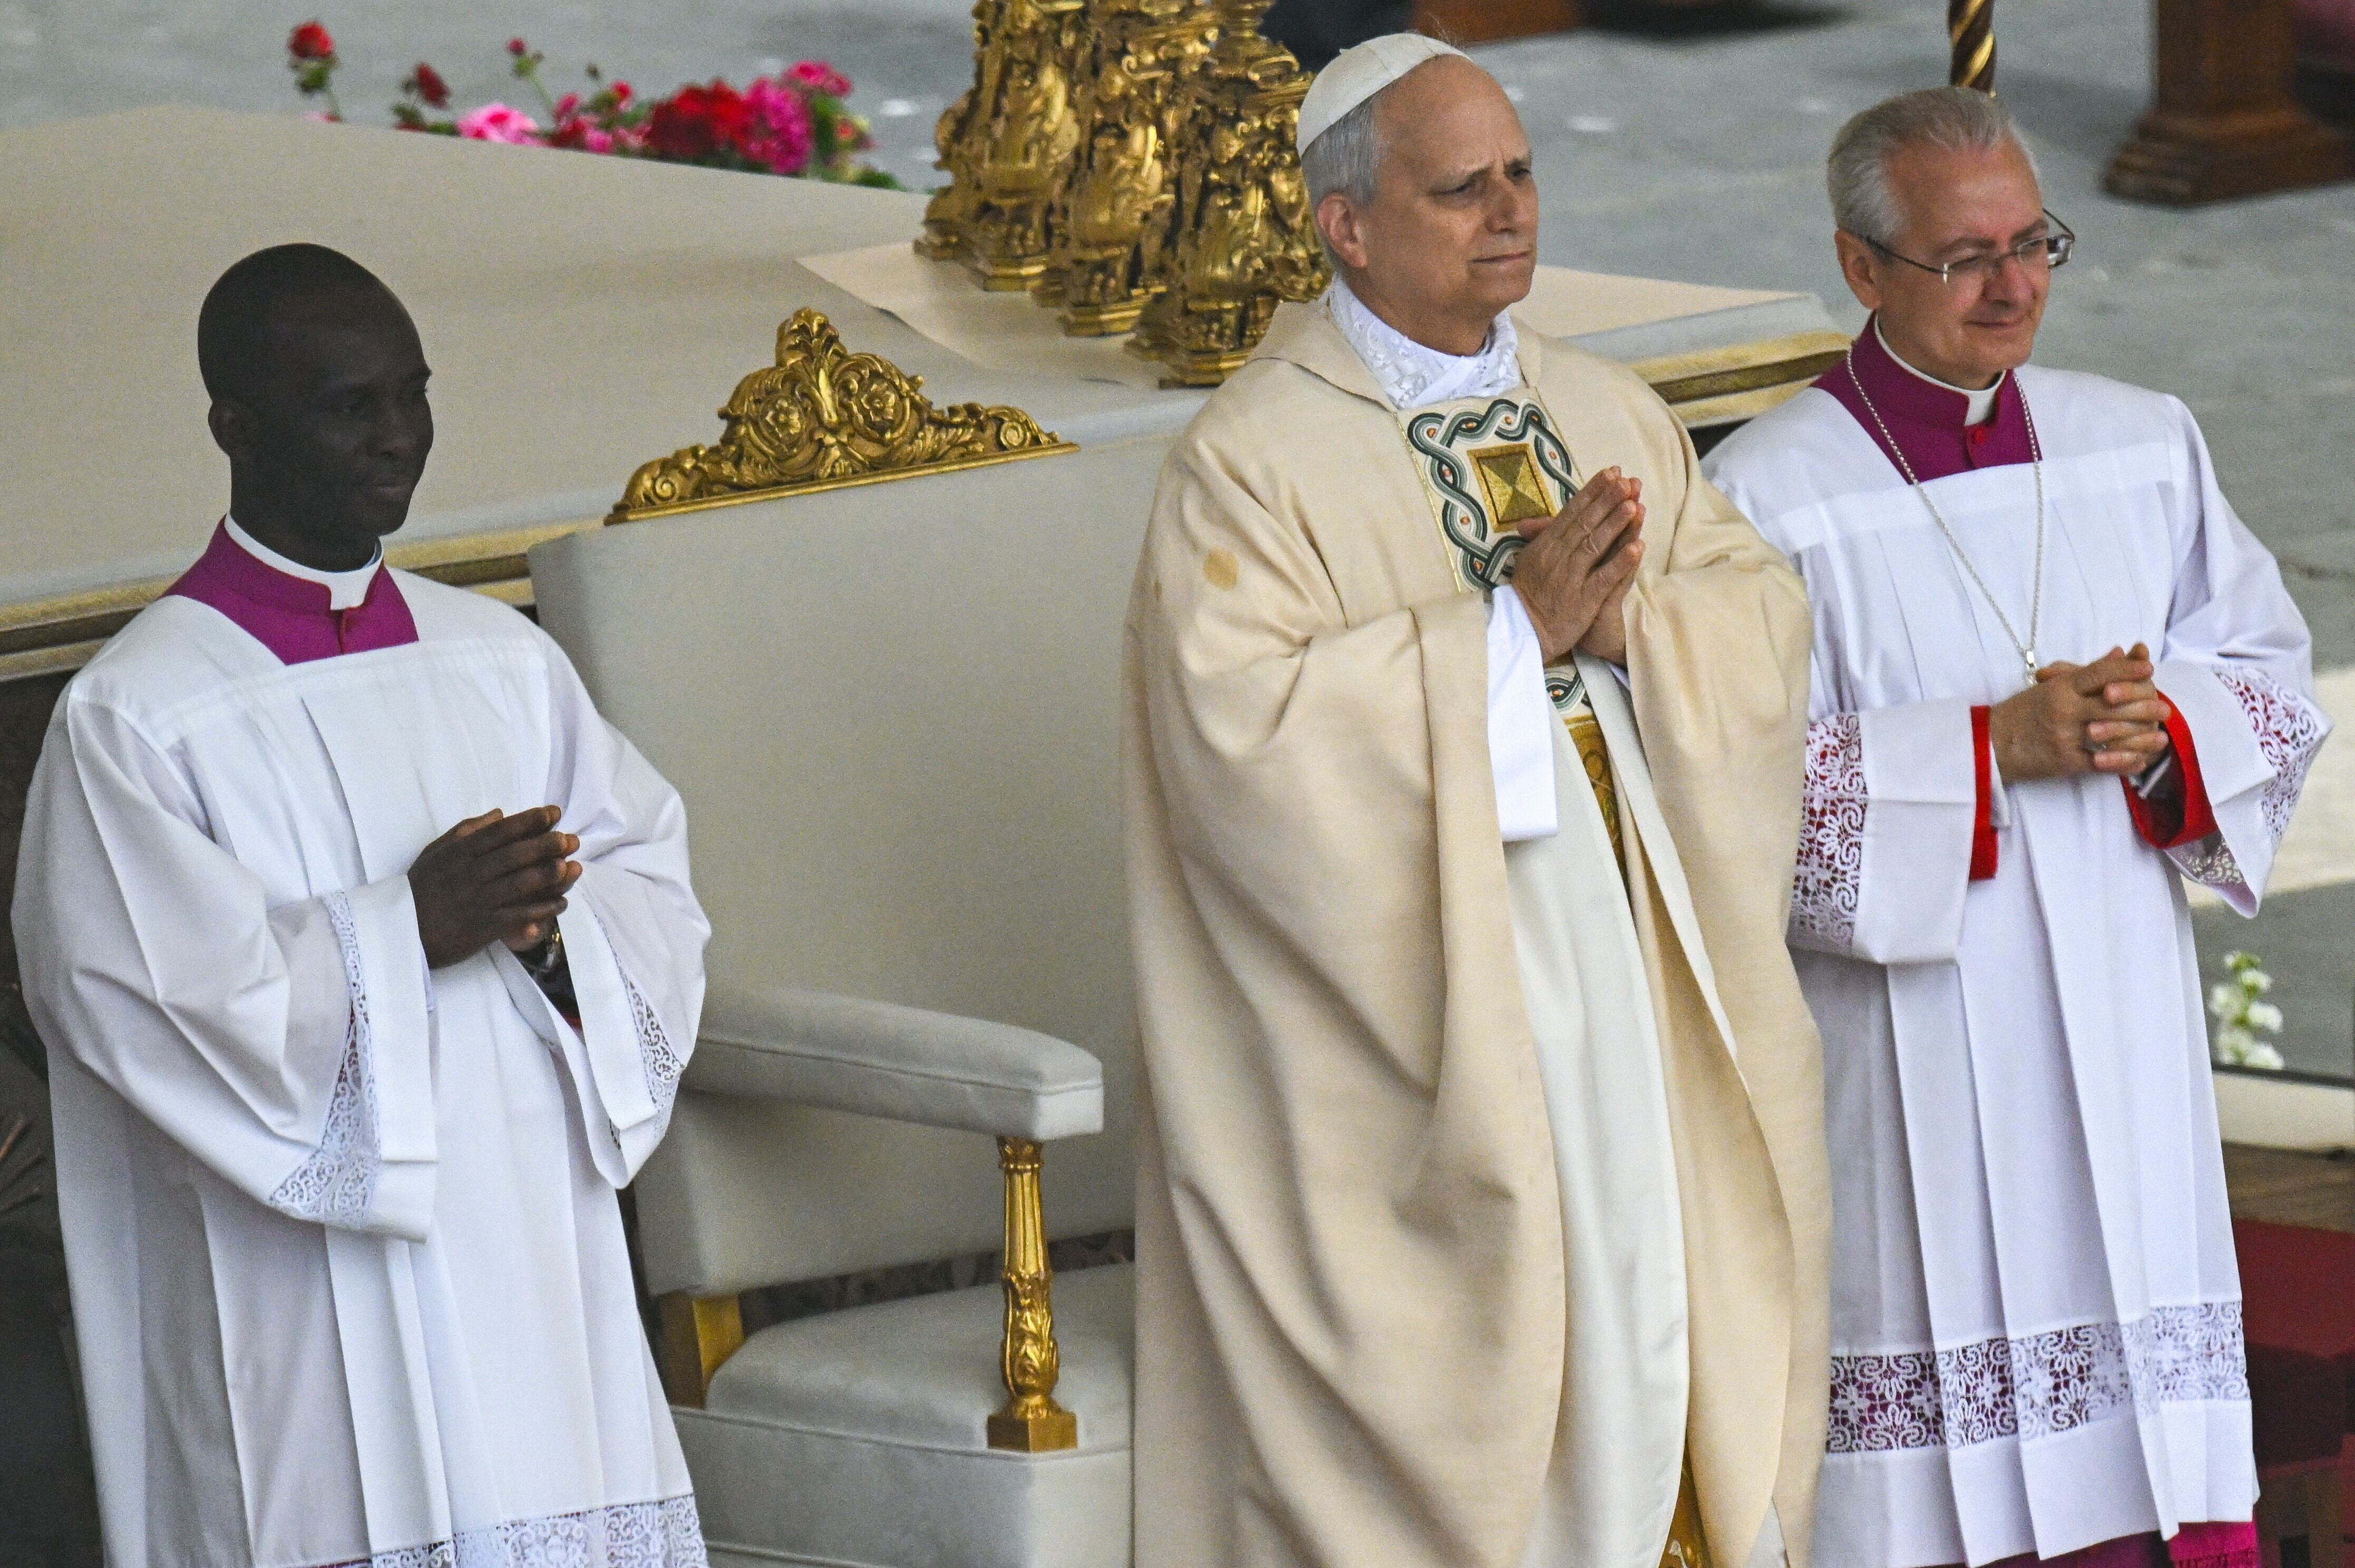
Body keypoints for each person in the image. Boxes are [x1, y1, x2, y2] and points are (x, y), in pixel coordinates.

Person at [1124, 34, 1831, 1568]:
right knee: (1542, 1307)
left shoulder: (1604, 405)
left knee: (1672, 1276)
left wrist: (1633, 621)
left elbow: (1759, 610)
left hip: (1640, 950)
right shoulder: (1252, 463)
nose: (1509, 212)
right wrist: (1506, 638)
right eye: (1462, 189)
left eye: (1520, 172)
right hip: (1454, 990)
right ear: (1348, 227)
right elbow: (1238, 737)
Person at [1703, 88, 2328, 1568]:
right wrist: (1990, 747)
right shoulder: (1762, 502)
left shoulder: (2139, 443)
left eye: (2034, 241)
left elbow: (2270, 679)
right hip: (1911, 1041)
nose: (2015, 283)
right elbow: (1721, 798)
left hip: (2122, 1008)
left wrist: (2163, 728)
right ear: (1863, 268)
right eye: (1964, 255)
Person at [13, 244, 711, 1567]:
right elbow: (133, 998)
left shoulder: (503, 660)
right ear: (235, 423)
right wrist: (406, 929)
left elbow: (650, 881)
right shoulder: (139, 715)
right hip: (301, 1299)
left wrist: (555, 925)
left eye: (414, 393)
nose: (399, 438)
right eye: (351, 406)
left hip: (526, 1239)